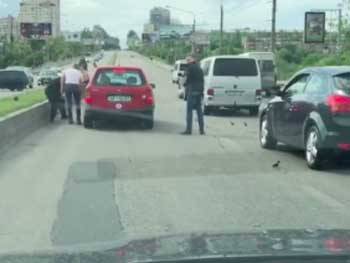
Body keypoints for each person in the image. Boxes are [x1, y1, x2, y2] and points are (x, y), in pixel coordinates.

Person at [181, 55, 205, 135]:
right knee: (199, 112)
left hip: (192, 91)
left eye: (188, 60)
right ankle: (201, 130)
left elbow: (187, 80)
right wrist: (202, 92)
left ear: (191, 60)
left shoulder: (190, 68)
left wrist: (184, 84)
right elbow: (202, 81)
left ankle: (188, 130)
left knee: (189, 111)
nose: (187, 61)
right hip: (199, 92)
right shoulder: (200, 68)